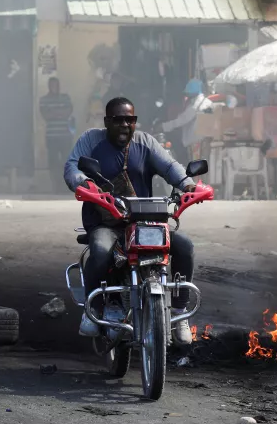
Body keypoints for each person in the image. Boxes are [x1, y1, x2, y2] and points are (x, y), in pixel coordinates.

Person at [64, 97, 197, 345]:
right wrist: (83, 183)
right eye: (118, 120)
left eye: (130, 119)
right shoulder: (91, 140)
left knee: (184, 247)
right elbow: (72, 167)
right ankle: (95, 310)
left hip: (142, 220)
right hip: (105, 221)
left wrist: (187, 184)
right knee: (102, 252)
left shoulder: (145, 142)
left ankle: (179, 312)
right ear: (107, 121)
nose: (125, 125)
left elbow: (169, 166)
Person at [160, 79, 213, 164]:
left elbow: (182, 120)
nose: (186, 95)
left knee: (195, 168)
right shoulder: (207, 102)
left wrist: (163, 126)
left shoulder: (197, 104)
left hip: (196, 142)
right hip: (204, 141)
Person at [39, 77, 74, 193]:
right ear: (49, 86)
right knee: (53, 161)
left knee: (65, 160)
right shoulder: (43, 100)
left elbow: (67, 112)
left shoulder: (65, 98)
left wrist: (54, 112)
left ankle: (65, 185)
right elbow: (46, 116)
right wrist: (59, 112)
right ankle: (56, 185)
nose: (55, 87)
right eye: (53, 85)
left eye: (57, 85)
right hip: (51, 136)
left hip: (65, 135)